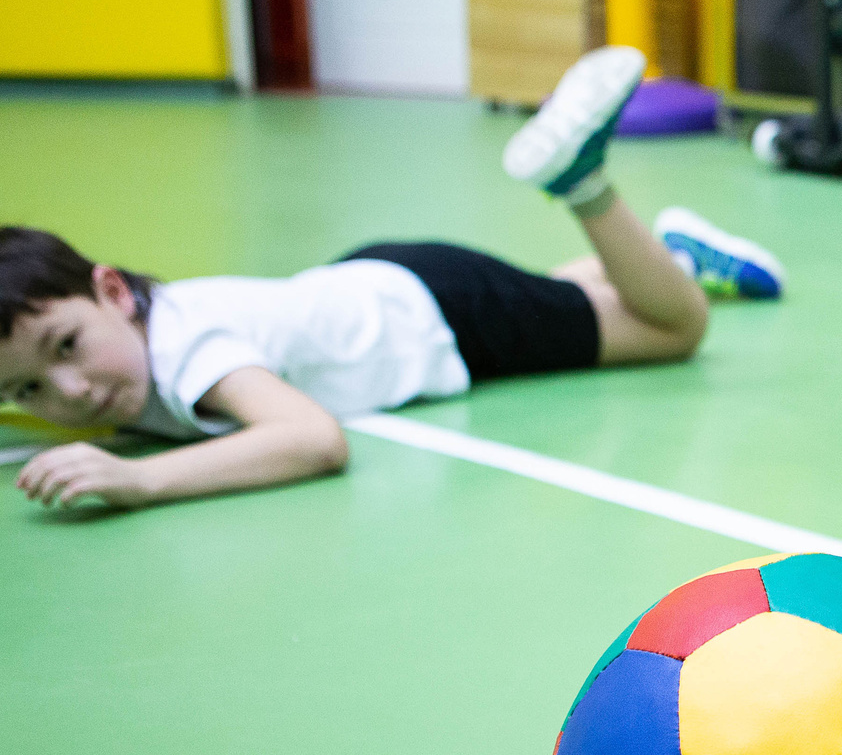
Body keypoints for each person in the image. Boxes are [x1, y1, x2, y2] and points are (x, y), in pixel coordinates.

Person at [5, 48, 783, 512]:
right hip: (393, 284)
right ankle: (663, 247)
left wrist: (138, 480)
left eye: (66, 345)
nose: (68, 394)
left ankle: (589, 189)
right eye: (30, 390)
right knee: (565, 301)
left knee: (673, 329)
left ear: (111, 290)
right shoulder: (136, 336)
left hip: (444, 315)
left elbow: (312, 438)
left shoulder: (185, 351)